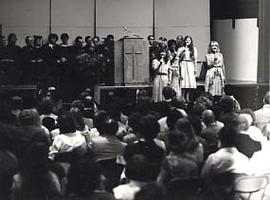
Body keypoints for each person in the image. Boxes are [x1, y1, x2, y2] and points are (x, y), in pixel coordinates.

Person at [178, 36, 197, 102]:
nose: (187, 41)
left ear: (191, 41)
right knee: (184, 81)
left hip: (190, 65)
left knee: (189, 82)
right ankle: (182, 97)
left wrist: (195, 68)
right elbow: (178, 59)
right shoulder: (181, 49)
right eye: (186, 40)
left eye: (189, 40)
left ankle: (187, 97)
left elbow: (195, 60)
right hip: (183, 65)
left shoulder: (193, 49)